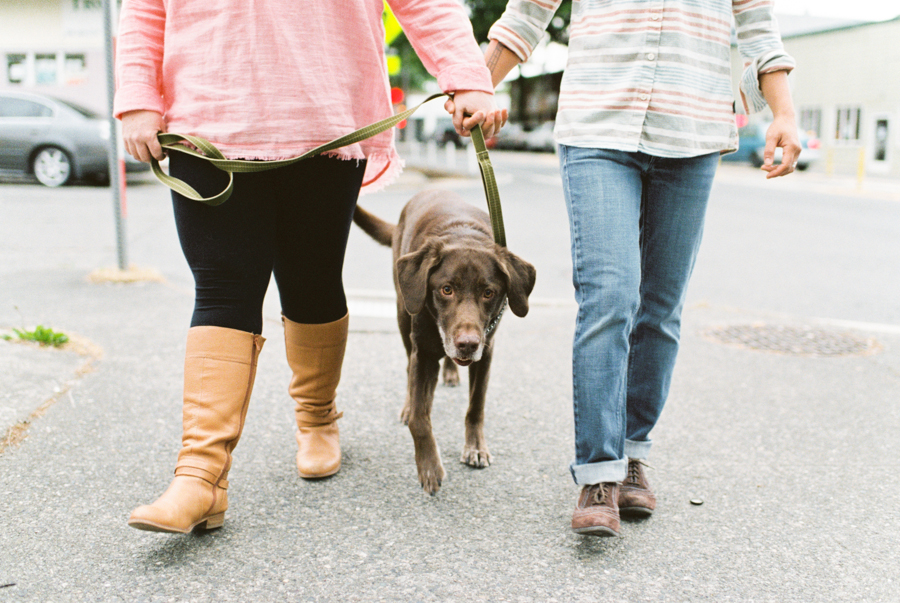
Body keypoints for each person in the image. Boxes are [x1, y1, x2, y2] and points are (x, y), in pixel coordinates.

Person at [114, 0, 507, 534]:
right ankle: (200, 478)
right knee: (223, 288)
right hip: (208, 119)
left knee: (312, 285)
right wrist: (138, 96)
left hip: (325, 117)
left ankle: (317, 417)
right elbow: (144, 7)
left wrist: (468, 77)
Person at [465, 0, 800, 536]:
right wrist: (477, 84)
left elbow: (757, 23)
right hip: (599, 124)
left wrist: (783, 113)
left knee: (661, 308)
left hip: (691, 132)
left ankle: (632, 452)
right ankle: (598, 470)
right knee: (610, 297)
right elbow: (528, 11)